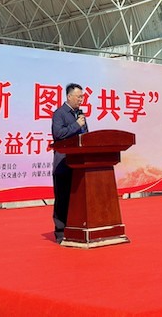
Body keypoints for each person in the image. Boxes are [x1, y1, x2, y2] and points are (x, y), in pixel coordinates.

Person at [51, 83, 89, 243]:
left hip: (80, 164)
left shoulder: (79, 114)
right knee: (63, 198)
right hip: (63, 163)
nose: (81, 99)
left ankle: (76, 229)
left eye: (82, 97)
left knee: (78, 198)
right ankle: (61, 233)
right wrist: (76, 125)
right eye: (79, 96)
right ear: (69, 96)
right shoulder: (59, 113)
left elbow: (86, 136)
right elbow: (58, 134)